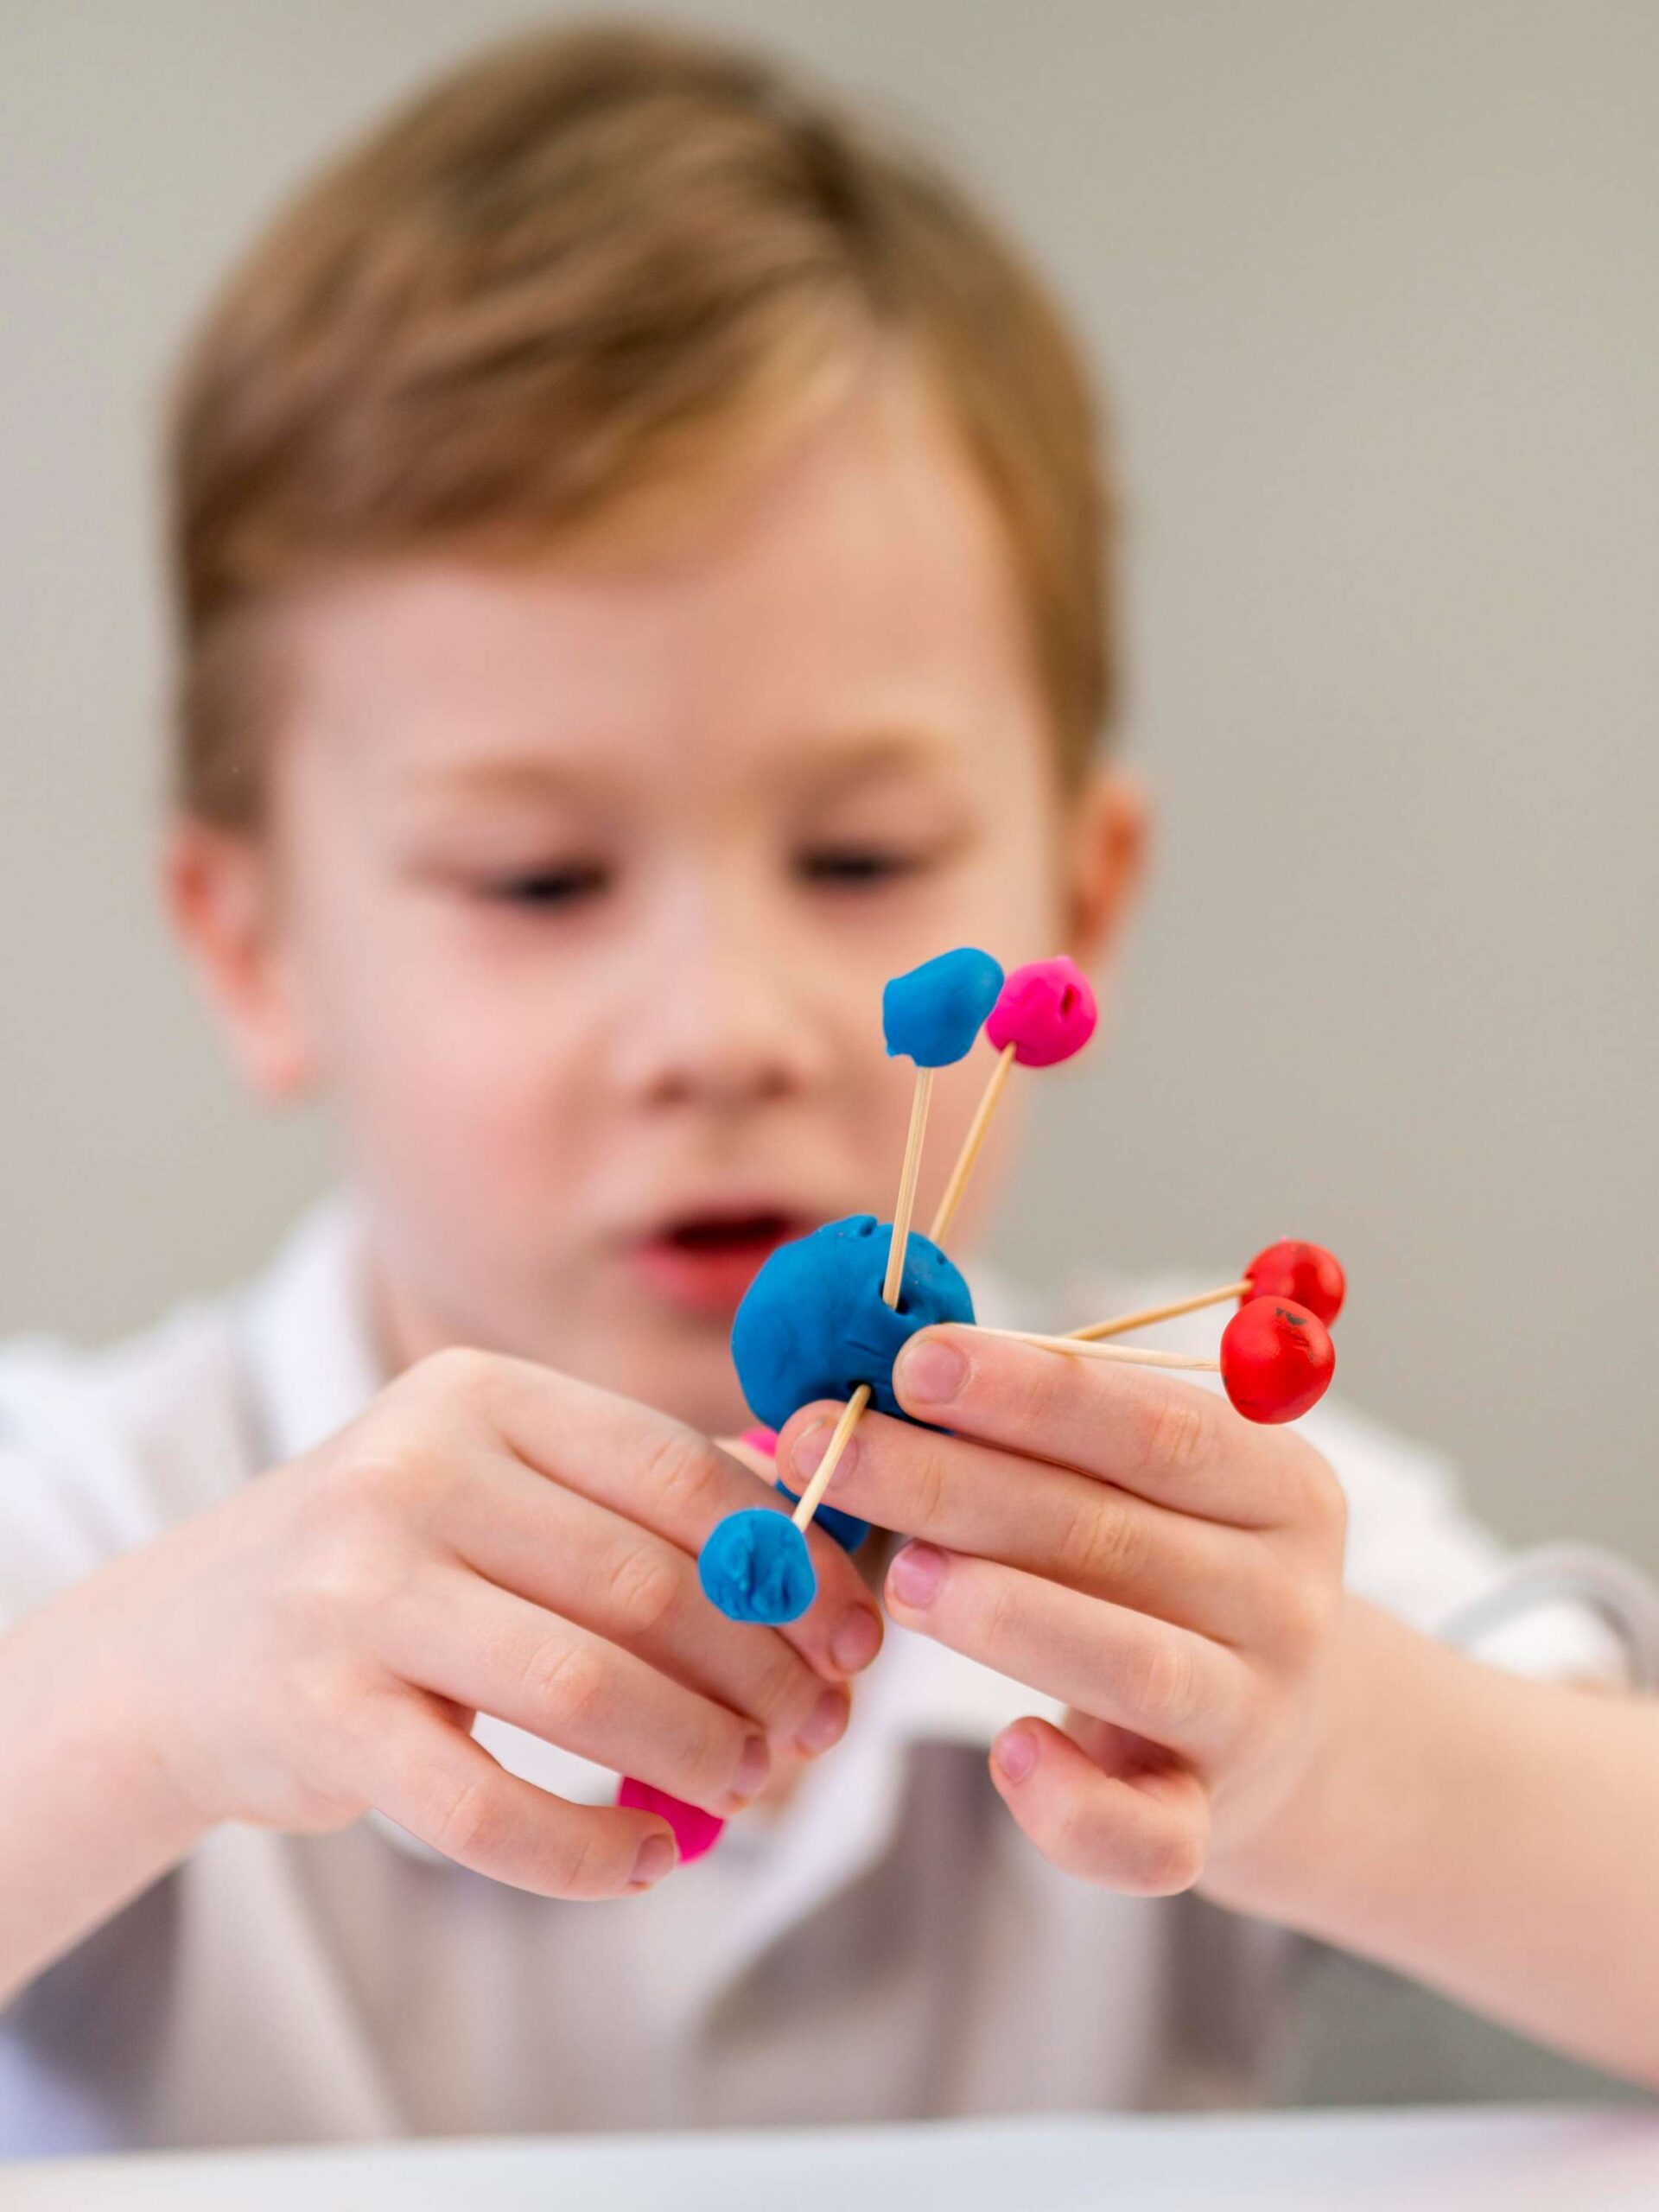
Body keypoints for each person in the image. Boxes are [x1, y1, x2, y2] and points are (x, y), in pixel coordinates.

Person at [2, 22, 1656, 2158]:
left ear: (1085, 891)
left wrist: (1339, 1747)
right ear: (256, 946)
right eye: (539, 876)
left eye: (861, 861)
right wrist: (140, 1704)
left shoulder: (1184, 1523)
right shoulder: (100, 1528)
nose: (731, 1023)